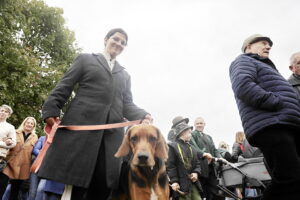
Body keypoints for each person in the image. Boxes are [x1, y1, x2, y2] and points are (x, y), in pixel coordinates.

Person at [38, 28, 152, 200]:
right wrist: (51, 110)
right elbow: (64, 86)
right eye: (116, 39)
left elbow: (127, 104)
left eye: (123, 42)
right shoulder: (86, 59)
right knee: (76, 186)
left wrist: (144, 115)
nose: (119, 44)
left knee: (103, 185)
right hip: (83, 130)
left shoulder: (125, 75)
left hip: (111, 138)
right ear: (106, 39)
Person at [229, 34, 300, 200]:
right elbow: (243, 86)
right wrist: (275, 101)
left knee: (291, 179)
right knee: (290, 178)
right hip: (272, 125)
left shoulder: (265, 67)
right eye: (263, 43)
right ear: (248, 47)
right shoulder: (244, 60)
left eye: (269, 45)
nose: (268, 47)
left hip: (284, 125)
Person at [1, 117, 38, 200]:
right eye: (28, 122)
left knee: (15, 190)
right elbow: (4, 141)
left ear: (33, 126)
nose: (29, 124)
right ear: (24, 123)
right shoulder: (15, 132)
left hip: (22, 167)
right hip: (9, 164)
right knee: (2, 186)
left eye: (31, 123)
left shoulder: (35, 137)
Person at [167, 117, 202, 200]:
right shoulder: (172, 146)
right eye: (189, 132)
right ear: (183, 133)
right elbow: (171, 166)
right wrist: (174, 181)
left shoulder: (192, 148)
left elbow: (197, 163)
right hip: (181, 185)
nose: (191, 134)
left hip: (193, 184)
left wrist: (196, 172)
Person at [190, 117, 222, 200]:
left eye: (201, 123)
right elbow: (193, 147)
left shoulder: (209, 137)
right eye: (197, 123)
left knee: (214, 191)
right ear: (194, 125)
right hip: (200, 168)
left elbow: (215, 149)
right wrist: (204, 154)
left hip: (211, 167)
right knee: (203, 192)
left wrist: (221, 158)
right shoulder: (192, 134)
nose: (199, 125)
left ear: (204, 124)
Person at [0, 105, 16, 198]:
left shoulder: (10, 127)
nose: (2, 112)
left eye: (5, 111)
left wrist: (4, 144)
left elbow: (13, 143)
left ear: (8, 115)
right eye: (1, 110)